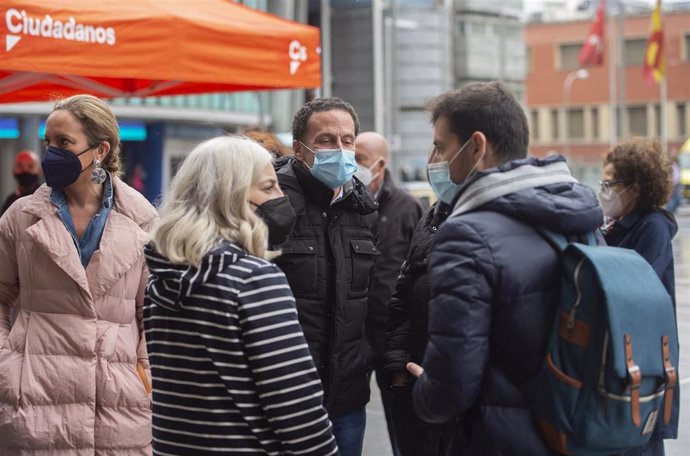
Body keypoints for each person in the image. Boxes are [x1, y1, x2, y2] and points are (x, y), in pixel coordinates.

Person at [405, 82, 603, 455]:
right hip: (579, 429)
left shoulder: (466, 235)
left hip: (501, 440)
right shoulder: (583, 220)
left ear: (477, 147)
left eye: (442, 147)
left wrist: (424, 393)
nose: (434, 159)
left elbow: (453, 382)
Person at [143, 136, 338, 456]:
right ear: (229, 196)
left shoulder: (161, 281)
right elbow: (295, 405)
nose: (281, 197)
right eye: (268, 186)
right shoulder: (254, 280)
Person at [0, 94, 157, 454]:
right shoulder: (21, 216)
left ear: (100, 150)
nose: (51, 153)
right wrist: (8, 365)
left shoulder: (144, 221)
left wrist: (145, 375)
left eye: (64, 143)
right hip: (34, 398)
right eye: (48, 142)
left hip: (118, 404)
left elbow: (153, 311)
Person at [273, 97, 379, 456]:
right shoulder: (272, 204)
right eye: (326, 140)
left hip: (346, 398)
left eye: (347, 141)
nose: (340, 149)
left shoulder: (363, 209)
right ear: (299, 149)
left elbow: (374, 297)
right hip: (284, 395)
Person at [599, 138, 679, 456]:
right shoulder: (612, 226)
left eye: (610, 183)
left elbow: (635, 285)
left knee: (641, 438)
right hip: (620, 354)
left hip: (642, 359)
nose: (603, 189)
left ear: (634, 187)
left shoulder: (653, 227)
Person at [354, 131, 423, 456]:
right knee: (347, 415)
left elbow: (417, 270)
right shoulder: (345, 203)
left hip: (388, 331)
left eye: (360, 160)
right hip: (351, 332)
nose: (353, 167)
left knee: (400, 421)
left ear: (380, 164)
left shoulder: (406, 207)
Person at [382, 167, 455, 455]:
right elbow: (404, 295)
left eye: (441, 147)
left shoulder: (490, 224)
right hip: (413, 383)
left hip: (453, 396)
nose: (434, 162)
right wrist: (399, 373)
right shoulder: (432, 216)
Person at [0, 150, 42, 216]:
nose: (25, 170)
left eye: (30, 166)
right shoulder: (10, 201)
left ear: (39, 170)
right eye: (20, 166)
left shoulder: (46, 198)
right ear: (13, 169)